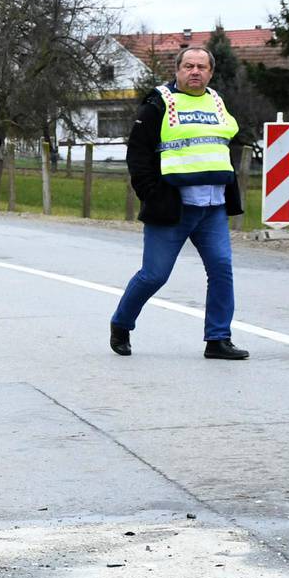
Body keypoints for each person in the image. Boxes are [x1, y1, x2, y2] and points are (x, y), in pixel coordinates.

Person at [109, 47, 248, 359]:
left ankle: (218, 339)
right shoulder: (159, 102)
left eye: (201, 66)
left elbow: (223, 143)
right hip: (173, 207)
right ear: (177, 70)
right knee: (154, 275)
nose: (195, 71)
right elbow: (138, 154)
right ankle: (121, 323)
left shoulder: (216, 102)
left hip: (212, 206)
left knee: (222, 269)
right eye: (188, 66)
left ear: (211, 72)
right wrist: (151, 193)